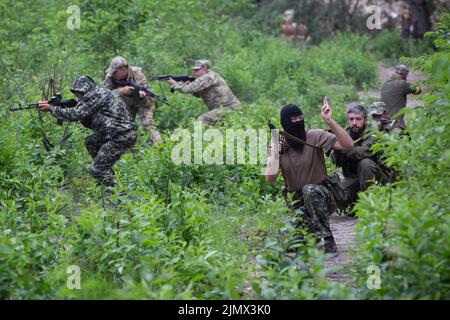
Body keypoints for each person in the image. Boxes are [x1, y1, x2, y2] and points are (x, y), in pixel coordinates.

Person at [265, 99, 354, 254]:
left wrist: (329, 121)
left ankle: (328, 240)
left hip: (324, 196)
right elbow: (270, 179)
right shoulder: (279, 145)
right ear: (285, 123)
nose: (298, 122)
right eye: (294, 120)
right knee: (287, 242)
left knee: (310, 190)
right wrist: (274, 154)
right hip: (300, 203)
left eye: (301, 118)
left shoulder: (314, 136)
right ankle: (311, 231)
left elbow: (348, 145)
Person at [38, 75, 137, 187]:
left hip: (120, 135)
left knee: (96, 169)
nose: (78, 96)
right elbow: (87, 118)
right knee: (91, 142)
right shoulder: (99, 93)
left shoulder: (95, 95)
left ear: (85, 89)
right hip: (118, 133)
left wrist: (52, 109)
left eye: (79, 93)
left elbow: (75, 114)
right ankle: (106, 177)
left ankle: (118, 195)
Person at [331, 105, 390, 208]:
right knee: (336, 196)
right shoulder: (346, 134)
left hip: (378, 179)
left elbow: (360, 153)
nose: (354, 122)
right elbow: (337, 162)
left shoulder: (373, 134)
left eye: (358, 119)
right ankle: (354, 202)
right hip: (354, 178)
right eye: (351, 119)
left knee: (365, 163)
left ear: (365, 120)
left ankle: (370, 204)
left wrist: (342, 146)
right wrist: (335, 149)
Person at [166, 59, 241, 127]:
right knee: (220, 128)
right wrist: (187, 85)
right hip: (225, 109)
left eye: (197, 70)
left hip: (228, 108)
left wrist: (174, 83)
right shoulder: (208, 77)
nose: (194, 72)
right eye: (194, 70)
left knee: (202, 120)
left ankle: (200, 140)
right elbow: (196, 93)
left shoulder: (208, 76)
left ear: (205, 69)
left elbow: (186, 90)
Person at [104, 56, 161, 144]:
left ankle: (160, 148)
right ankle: (129, 153)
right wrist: (121, 91)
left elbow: (148, 99)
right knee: (125, 127)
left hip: (143, 102)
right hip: (125, 104)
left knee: (148, 124)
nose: (113, 74)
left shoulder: (137, 73)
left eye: (115, 72)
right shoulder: (110, 76)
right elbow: (105, 94)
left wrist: (142, 95)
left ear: (124, 69)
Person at [381, 64, 421, 129]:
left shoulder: (385, 83)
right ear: (405, 74)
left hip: (383, 122)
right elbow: (418, 90)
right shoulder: (402, 84)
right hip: (395, 123)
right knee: (407, 137)